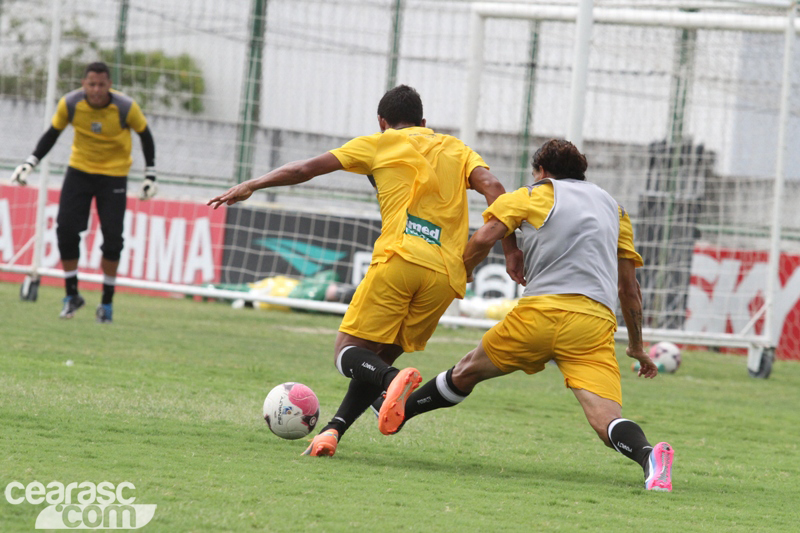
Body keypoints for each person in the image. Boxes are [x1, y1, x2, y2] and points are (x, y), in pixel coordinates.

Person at [208, 85, 522, 457]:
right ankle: (331, 433)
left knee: (348, 354)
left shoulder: (379, 142)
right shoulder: (456, 148)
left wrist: (251, 184)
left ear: (382, 122)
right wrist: (511, 250)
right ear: (424, 123)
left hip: (400, 259)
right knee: (376, 360)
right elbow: (495, 187)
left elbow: (304, 169)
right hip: (445, 276)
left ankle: (392, 383)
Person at [380, 139, 674, 492]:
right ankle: (648, 458)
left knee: (466, 370)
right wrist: (638, 347)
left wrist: (466, 271)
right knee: (606, 420)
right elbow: (630, 290)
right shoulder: (615, 209)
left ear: (543, 172)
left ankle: (398, 412)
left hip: (540, 314)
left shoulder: (532, 195)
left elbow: (483, 237)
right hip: (593, 323)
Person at [10, 61, 158, 323]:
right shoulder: (70, 104)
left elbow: (146, 136)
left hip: (114, 175)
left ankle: (107, 303)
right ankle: (71, 296)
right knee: (66, 230)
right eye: (92, 84)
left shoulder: (126, 107)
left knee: (113, 239)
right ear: (84, 84)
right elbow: (52, 134)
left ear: (109, 85)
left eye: (101, 84)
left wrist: (150, 175)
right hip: (79, 172)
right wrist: (30, 162)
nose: (97, 89)